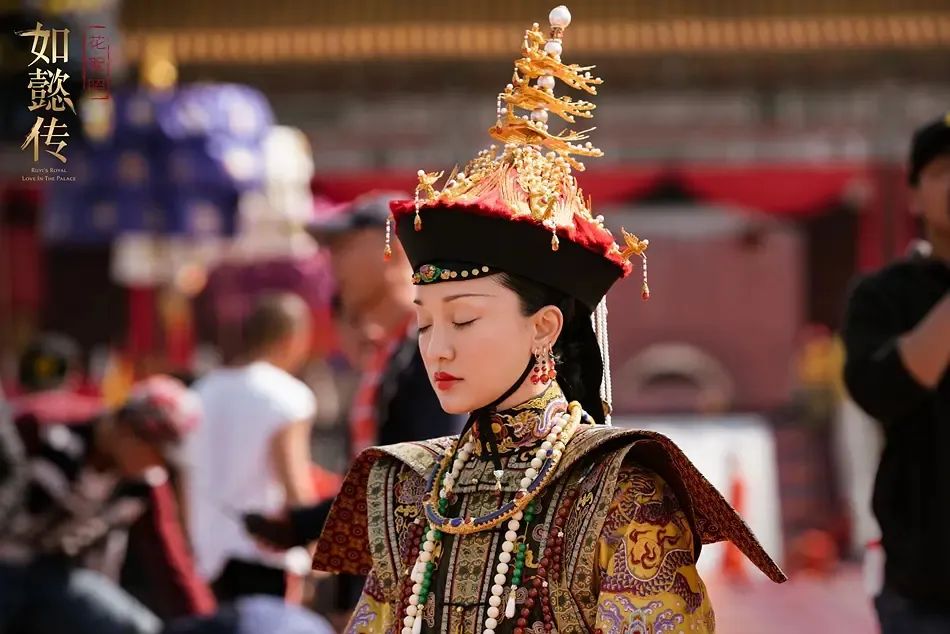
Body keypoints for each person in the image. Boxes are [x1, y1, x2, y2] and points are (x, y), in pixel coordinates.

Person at [311, 7, 784, 633]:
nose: (437, 349)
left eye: (464, 319)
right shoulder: (409, 490)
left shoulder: (620, 493)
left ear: (544, 327)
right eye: (424, 324)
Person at [842, 113, 950, 632]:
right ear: (914, 196)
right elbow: (881, 391)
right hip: (926, 584)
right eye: (943, 171)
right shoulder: (884, 296)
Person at [307, 191, 466, 456]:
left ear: (392, 251)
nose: (332, 263)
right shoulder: (393, 352)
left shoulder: (436, 348)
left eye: (344, 247)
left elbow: (439, 466)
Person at [184, 292, 318, 602]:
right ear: (292, 339)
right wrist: (318, 550)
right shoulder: (288, 396)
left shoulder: (202, 391)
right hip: (264, 555)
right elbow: (295, 484)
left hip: (205, 557)